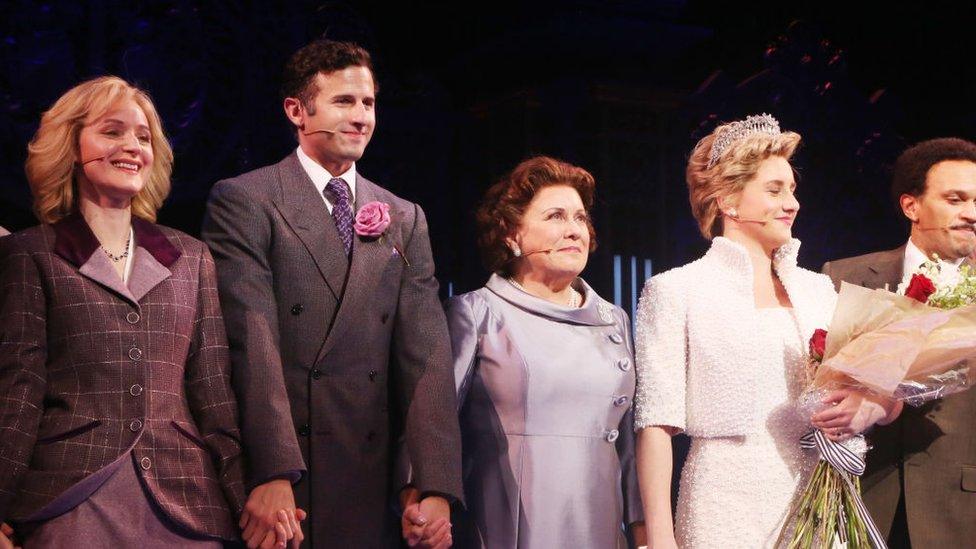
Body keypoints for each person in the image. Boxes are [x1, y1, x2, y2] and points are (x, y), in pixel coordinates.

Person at [0, 76, 298, 549]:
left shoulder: (192, 257)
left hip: (187, 503)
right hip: (73, 498)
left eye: (143, 136)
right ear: (73, 147)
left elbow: (214, 395)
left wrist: (250, 500)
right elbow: (20, 392)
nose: (132, 146)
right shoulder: (31, 253)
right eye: (112, 131)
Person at [201, 39, 462, 547]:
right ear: (297, 111)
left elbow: (426, 356)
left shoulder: (403, 216)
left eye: (368, 103)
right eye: (344, 102)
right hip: (289, 478)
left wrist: (432, 485)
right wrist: (274, 471)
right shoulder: (247, 199)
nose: (361, 117)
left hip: (369, 475)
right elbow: (252, 343)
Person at [633, 114, 901, 548]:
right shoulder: (675, 290)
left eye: (792, 190)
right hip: (724, 505)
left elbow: (880, 397)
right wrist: (661, 539)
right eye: (774, 190)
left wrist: (869, 402)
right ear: (727, 201)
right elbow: (655, 426)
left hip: (820, 499)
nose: (792, 203)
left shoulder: (818, 290)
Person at [444, 156, 644, 548]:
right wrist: (424, 499)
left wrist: (643, 529)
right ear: (511, 234)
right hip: (511, 521)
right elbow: (434, 425)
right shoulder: (476, 313)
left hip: (601, 523)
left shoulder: (614, 320)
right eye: (555, 216)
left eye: (580, 218)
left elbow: (630, 443)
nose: (573, 231)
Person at [822, 137, 976, 548]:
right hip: (859, 496)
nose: (972, 214)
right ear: (912, 206)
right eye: (956, 199)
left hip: (962, 509)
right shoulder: (843, 277)